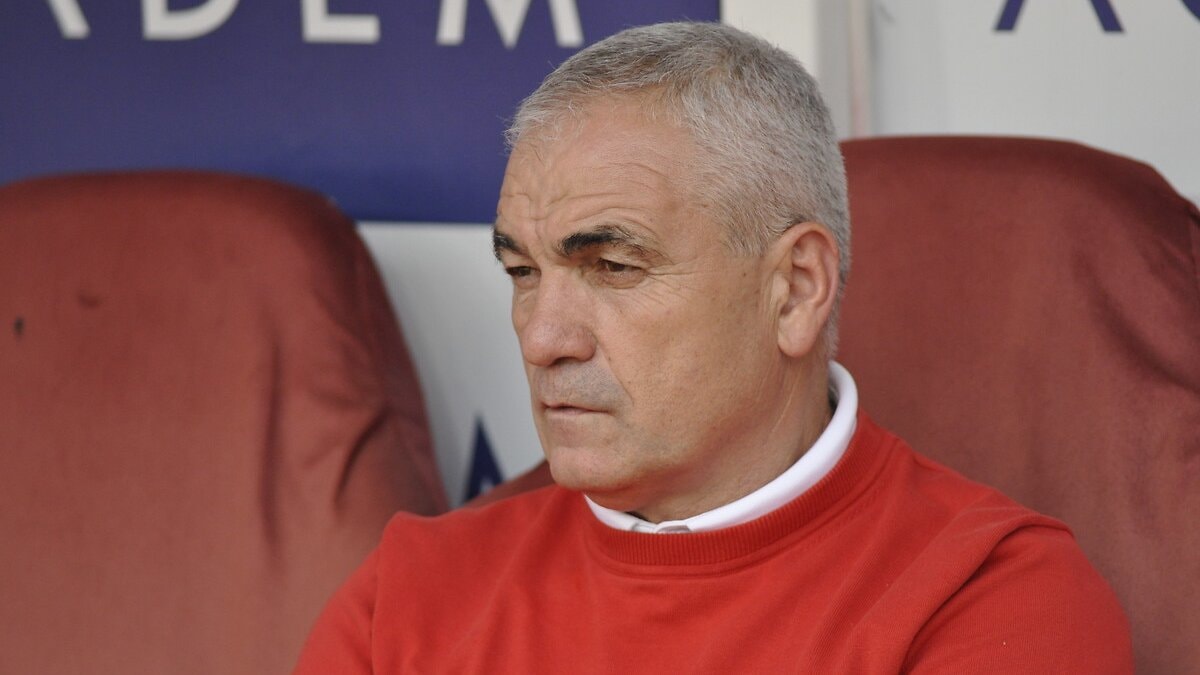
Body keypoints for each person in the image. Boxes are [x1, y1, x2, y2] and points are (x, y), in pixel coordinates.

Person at [295, 21, 1132, 673]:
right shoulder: (406, 595)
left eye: (613, 266)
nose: (543, 337)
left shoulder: (991, 597)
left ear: (794, 289)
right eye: (522, 271)